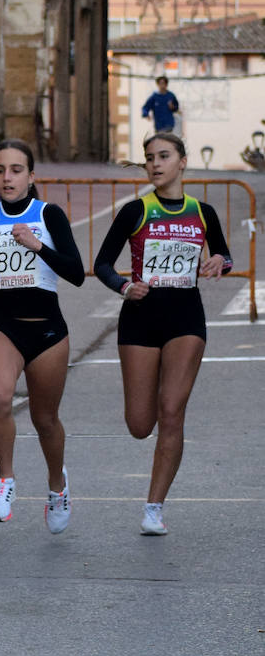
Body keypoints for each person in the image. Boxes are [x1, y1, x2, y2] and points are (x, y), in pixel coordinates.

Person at [93, 133, 230, 535]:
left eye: (164, 156)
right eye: (150, 158)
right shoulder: (135, 211)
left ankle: (154, 507)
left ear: (182, 162)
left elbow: (224, 254)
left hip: (186, 319)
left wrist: (219, 260)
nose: (155, 164)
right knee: (140, 424)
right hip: (140, 318)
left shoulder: (202, 212)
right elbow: (102, 264)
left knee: (172, 411)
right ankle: (156, 391)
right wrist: (123, 286)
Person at [0, 139, 84, 533]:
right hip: (4, 327)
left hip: (47, 330)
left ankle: (56, 485)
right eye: (0, 170)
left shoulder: (48, 215)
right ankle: (5, 481)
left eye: (16, 170)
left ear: (31, 177)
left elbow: (76, 274)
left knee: (44, 419)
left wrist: (38, 246)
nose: (7, 177)